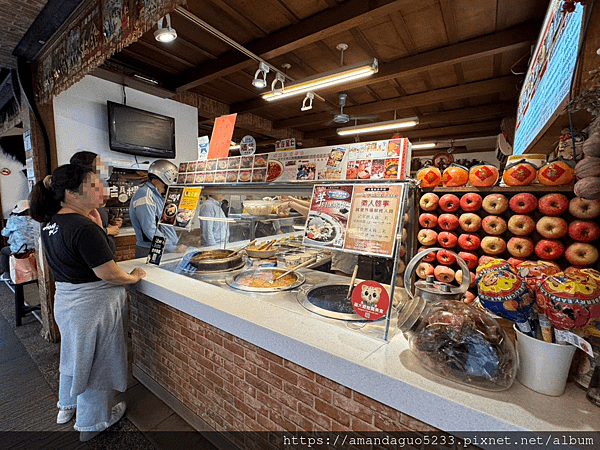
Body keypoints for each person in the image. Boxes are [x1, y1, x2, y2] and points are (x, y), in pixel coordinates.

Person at [29, 164, 146, 442]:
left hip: (68, 302)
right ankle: (92, 423)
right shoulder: (83, 227)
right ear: (71, 192)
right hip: (93, 306)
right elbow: (107, 273)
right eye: (94, 185)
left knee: (74, 354)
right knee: (98, 361)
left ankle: (66, 406)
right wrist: (133, 277)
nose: (101, 190)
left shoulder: (51, 223)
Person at [70, 151, 121, 255]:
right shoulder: (78, 203)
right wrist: (108, 231)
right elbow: (85, 234)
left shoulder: (94, 199)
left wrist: (111, 224)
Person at [129, 160, 184, 258]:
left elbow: (165, 224)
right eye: (174, 177)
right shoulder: (145, 194)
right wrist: (172, 248)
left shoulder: (159, 196)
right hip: (150, 249)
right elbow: (149, 230)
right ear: (167, 176)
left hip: (165, 248)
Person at [0, 200, 38, 279]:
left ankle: (6, 274)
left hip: (19, 250)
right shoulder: (35, 219)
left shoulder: (14, 220)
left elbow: (4, 233)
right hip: (34, 249)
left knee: (4, 251)